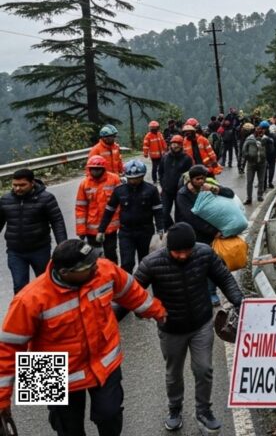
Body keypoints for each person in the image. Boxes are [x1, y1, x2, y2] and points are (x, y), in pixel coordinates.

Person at [0, 238, 166, 436]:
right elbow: (7, 348)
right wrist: (2, 400)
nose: (97, 267)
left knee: (110, 416)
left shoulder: (104, 270)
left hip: (103, 356)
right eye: (89, 266)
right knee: (67, 429)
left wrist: (159, 312)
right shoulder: (27, 300)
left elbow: (131, 292)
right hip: (48, 367)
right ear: (65, 273)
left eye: (95, 261)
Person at [133, 223, 243, 433]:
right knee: (173, 373)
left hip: (200, 324)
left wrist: (239, 302)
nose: (183, 256)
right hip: (171, 329)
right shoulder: (152, 263)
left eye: (187, 251)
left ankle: (203, 410)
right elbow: (132, 293)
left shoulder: (204, 254)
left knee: (204, 369)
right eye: (177, 252)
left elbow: (224, 277)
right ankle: (175, 408)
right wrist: (146, 310)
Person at [174, 165, 236, 306]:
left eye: (203, 178)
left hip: (210, 235)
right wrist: (213, 231)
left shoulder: (208, 186)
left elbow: (230, 194)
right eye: (198, 179)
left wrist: (215, 189)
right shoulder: (183, 194)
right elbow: (191, 218)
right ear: (191, 179)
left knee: (211, 263)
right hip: (193, 234)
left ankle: (211, 292)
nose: (201, 181)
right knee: (193, 265)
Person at [0, 169, 67, 293]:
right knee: (20, 287)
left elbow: (57, 222)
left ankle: (46, 311)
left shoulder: (46, 198)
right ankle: (24, 312)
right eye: (15, 185)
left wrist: (63, 246)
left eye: (22, 185)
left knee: (45, 285)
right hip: (15, 252)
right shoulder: (5, 200)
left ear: (32, 183)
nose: (17, 188)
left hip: (40, 250)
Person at [97, 160, 165, 274]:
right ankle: (127, 286)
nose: (133, 181)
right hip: (126, 232)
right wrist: (101, 230)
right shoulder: (119, 191)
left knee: (145, 262)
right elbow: (109, 211)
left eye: (137, 178)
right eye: (130, 178)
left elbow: (158, 211)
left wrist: (160, 229)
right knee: (127, 263)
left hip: (145, 231)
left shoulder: (151, 190)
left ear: (142, 176)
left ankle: (141, 287)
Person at [76, 156, 120, 263]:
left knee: (110, 253)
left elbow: (121, 202)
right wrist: (81, 230)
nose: (95, 171)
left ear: (103, 168)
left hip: (110, 227)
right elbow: (80, 208)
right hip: (92, 228)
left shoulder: (114, 179)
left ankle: (113, 273)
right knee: (94, 255)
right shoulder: (84, 184)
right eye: (93, 169)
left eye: (98, 169)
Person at [157, 135, 194, 226]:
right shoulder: (165, 157)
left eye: (177, 144)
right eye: (173, 144)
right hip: (166, 191)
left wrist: (186, 188)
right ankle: (170, 229)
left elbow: (190, 175)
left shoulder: (187, 159)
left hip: (180, 191)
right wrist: (163, 185)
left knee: (180, 216)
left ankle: (178, 233)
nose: (175, 146)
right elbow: (160, 172)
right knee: (164, 214)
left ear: (181, 145)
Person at [240, 124, 267, 205]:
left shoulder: (265, 139)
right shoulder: (249, 139)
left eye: (261, 130)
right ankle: (249, 198)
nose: (259, 132)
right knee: (249, 181)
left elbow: (270, 149)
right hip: (251, 163)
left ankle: (260, 195)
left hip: (262, 163)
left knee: (261, 180)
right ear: (255, 131)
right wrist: (248, 156)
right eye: (258, 130)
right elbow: (244, 150)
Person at [262, 121, 276, 191]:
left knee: (265, 169)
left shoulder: (262, 136)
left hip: (266, 154)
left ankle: (265, 184)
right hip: (272, 154)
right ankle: (270, 183)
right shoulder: (274, 135)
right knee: (271, 168)